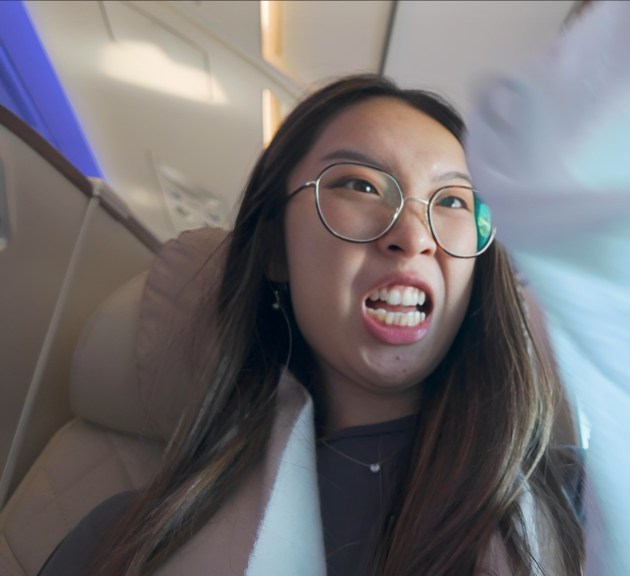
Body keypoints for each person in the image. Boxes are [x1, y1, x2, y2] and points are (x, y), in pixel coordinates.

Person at [39, 75, 585, 576]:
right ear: (275, 249)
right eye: (360, 186)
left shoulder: (586, 506)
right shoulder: (127, 540)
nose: (414, 236)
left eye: (452, 200)